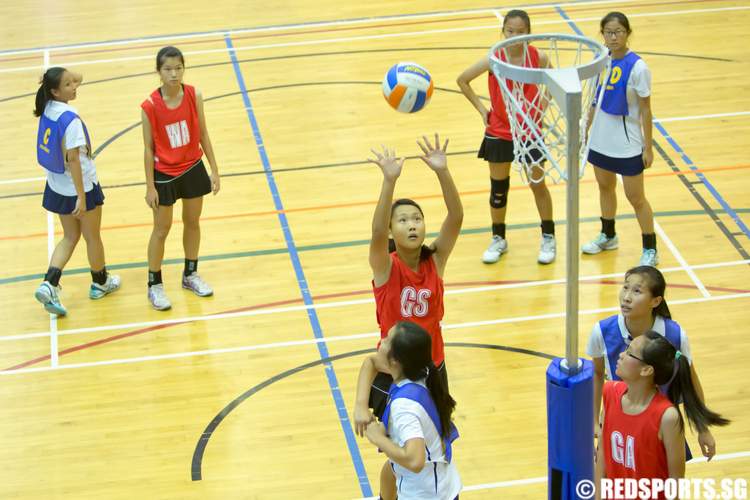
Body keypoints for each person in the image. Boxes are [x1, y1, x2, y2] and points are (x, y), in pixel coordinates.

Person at [353, 134, 462, 498]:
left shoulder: (436, 261)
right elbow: (374, 230)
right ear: (392, 231)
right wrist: (389, 181)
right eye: (403, 220)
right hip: (395, 366)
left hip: (433, 366)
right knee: (396, 452)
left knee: (434, 445)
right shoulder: (386, 267)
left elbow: (457, 216)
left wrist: (443, 173)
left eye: (417, 218)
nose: (412, 224)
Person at [456, 9, 556, 265]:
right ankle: (498, 238)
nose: (514, 36)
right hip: (499, 131)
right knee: (498, 190)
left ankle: (548, 237)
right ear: (503, 32)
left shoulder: (539, 57)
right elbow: (463, 80)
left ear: (529, 34)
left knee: (538, 185)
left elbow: (554, 84)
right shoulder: (494, 58)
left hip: (530, 133)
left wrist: (540, 109)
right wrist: (482, 111)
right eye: (510, 31)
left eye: (520, 32)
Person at [587, 266, 717, 460]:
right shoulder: (602, 331)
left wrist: (702, 428)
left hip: (661, 426)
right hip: (619, 427)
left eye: (637, 291)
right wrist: (593, 422)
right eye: (625, 287)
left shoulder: (674, 335)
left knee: (662, 486)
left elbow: (690, 380)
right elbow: (597, 374)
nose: (627, 297)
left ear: (656, 301)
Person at [595, 331, 729, 496]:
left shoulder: (667, 417)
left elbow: (676, 481)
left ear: (646, 370)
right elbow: (602, 455)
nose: (621, 355)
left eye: (629, 352)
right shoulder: (609, 393)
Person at [33, 67, 120, 316]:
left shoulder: (48, 108)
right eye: (68, 85)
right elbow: (73, 160)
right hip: (79, 187)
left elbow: (78, 77)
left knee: (70, 237)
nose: (75, 86)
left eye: (73, 83)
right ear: (55, 91)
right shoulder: (70, 119)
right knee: (92, 236)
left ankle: (49, 283)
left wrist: (60, 77)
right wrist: (82, 197)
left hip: (57, 185)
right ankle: (100, 282)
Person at [141, 46, 220, 311]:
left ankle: (190, 274)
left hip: (192, 167)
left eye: (178, 68)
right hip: (164, 174)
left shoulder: (194, 95)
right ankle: (155, 284)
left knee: (192, 222)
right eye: (168, 69)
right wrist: (150, 186)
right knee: (162, 229)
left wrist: (214, 169)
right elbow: (148, 148)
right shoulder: (150, 106)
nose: (174, 74)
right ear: (158, 72)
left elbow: (204, 134)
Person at [582, 11, 658, 266]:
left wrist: (648, 147)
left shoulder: (638, 67)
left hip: (627, 143)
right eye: (608, 32)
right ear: (602, 34)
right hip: (601, 139)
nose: (613, 37)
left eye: (618, 32)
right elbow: (594, 98)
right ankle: (608, 235)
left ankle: (650, 248)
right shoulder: (599, 61)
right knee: (605, 187)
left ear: (627, 33)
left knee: (636, 198)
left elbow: (646, 109)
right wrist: (586, 129)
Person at [362, 321, 461, 500]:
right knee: (389, 470)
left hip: (428, 495)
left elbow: (415, 461)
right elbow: (370, 361)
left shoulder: (405, 407)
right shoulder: (420, 376)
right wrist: (362, 409)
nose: (382, 340)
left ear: (394, 361)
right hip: (439, 485)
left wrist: (377, 438)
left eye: (386, 340)